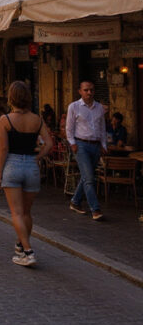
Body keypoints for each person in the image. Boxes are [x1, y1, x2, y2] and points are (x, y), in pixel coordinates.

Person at [0, 81, 53, 267]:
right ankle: (21, 246)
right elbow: (49, 144)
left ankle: (28, 252)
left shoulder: (5, 120)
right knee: (27, 213)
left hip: (12, 165)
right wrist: (38, 157)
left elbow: (3, 149)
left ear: (11, 97)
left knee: (17, 213)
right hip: (31, 166)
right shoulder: (37, 119)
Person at [66, 80, 107, 220]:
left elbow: (102, 127)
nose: (89, 92)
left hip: (95, 145)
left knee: (86, 176)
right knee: (90, 178)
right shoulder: (74, 107)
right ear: (80, 91)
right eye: (86, 90)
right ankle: (95, 209)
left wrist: (103, 145)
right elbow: (69, 128)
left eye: (92, 90)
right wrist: (72, 143)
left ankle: (75, 202)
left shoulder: (99, 108)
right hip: (81, 145)